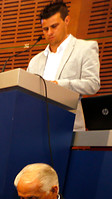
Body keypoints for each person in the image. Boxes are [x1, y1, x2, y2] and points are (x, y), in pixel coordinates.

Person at [26, 1, 100, 131]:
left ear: (67, 20)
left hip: (69, 127)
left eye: (54, 26)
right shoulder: (35, 61)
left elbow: (92, 84)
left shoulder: (85, 49)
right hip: (37, 127)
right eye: (45, 29)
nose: (49, 33)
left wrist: (59, 85)